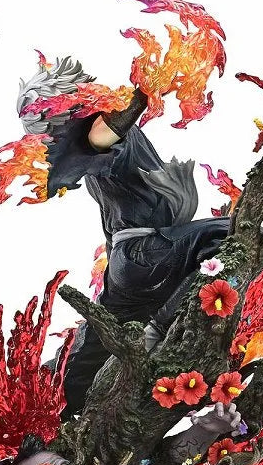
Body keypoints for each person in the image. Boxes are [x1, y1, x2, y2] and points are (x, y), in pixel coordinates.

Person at [19, 62, 231, 416]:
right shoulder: (95, 133)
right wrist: (146, 88)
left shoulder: (97, 140)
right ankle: (159, 331)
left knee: (101, 337)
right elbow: (109, 128)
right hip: (144, 252)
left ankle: (55, 394)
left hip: (134, 260)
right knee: (227, 233)